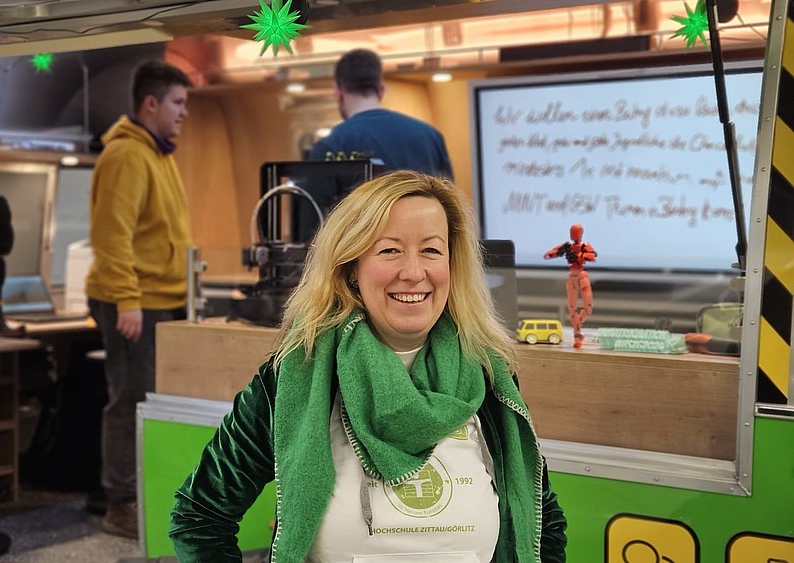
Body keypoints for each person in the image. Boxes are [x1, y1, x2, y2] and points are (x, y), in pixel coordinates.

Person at [170, 171, 567, 562]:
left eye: (431, 250)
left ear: (453, 265)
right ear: (351, 268)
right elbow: (199, 517)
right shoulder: (296, 377)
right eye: (389, 250)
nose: (413, 272)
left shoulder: (488, 376)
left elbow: (541, 522)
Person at [85, 59, 193, 537]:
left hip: (160, 299)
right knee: (130, 401)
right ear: (151, 103)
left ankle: (144, 495)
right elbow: (112, 236)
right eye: (177, 102)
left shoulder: (159, 153)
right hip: (134, 301)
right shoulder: (127, 156)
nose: (183, 112)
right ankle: (121, 503)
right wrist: (127, 299)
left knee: (149, 401)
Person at [299, 49, 454, 238]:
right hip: (426, 257)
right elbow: (450, 211)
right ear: (381, 90)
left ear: (338, 93)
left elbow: (312, 231)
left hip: (363, 262)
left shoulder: (330, 146)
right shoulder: (431, 137)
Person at [543, 224, 597, 349]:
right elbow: (548, 255)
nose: (573, 235)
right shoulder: (567, 246)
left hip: (582, 276)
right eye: (572, 232)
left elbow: (592, 256)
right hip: (572, 277)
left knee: (588, 308)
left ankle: (578, 325)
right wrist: (558, 252)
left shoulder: (584, 246)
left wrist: (580, 256)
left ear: (581, 234)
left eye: (576, 232)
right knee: (572, 309)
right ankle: (577, 335)